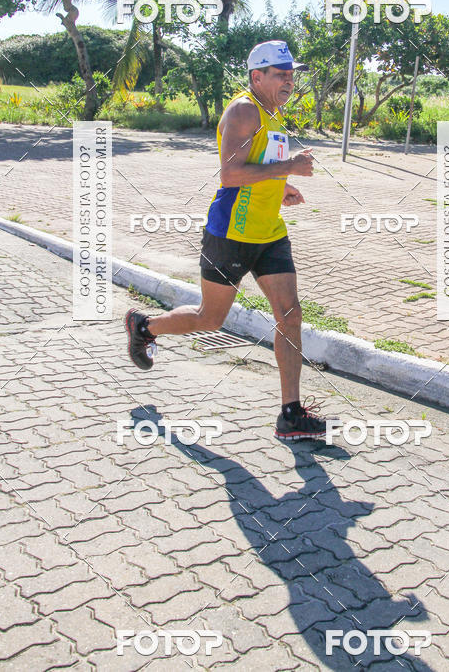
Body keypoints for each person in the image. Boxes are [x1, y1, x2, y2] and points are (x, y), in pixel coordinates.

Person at [125, 40, 333, 440]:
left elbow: (262, 166)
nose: (290, 79)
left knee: (290, 315)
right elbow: (231, 174)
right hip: (231, 233)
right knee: (211, 318)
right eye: (281, 73)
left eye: (292, 73)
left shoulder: (273, 113)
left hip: (269, 232)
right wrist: (290, 165)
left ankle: (290, 414)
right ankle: (144, 326)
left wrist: (282, 185)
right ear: (257, 77)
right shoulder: (243, 110)